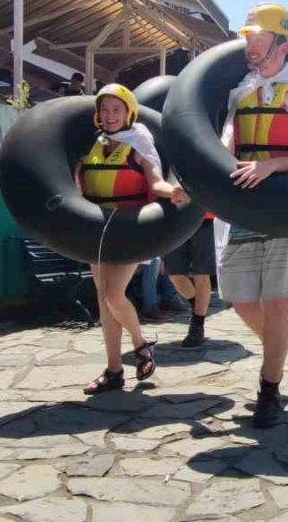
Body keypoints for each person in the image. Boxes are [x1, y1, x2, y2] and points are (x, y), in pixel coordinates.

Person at [218, 4, 288, 428]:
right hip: (247, 205)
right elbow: (227, 145)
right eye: (248, 38)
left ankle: (269, 389)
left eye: (259, 38)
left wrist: (271, 166)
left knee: (276, 298)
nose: (250, 45)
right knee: (241, 299)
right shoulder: (242, 91)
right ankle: (276, 356)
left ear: (282, 44)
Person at [74, 83, 188, 395]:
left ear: (129, 112)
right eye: (105, 109)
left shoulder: (139, 142)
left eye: (117, 109)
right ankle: (113, 371)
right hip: (97, 230)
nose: (110, 115)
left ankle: (140, 343)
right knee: (104, 302)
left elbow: (156, 182)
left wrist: (173, 192)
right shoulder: (94, 144)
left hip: (130, 231)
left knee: (113, 296)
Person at [165, 209, 216, 347]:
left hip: (204, 218)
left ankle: (197, 325)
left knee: (201, 273)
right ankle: (197, 305)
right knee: (174, 274)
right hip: (175, 220)